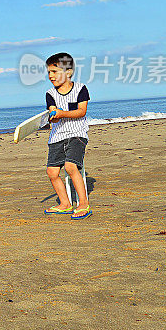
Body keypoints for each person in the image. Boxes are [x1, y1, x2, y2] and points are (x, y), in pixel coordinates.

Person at [43, 52, 92, 220]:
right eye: (49, 72)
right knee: (52, 172)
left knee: (71, 167)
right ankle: (65, 204)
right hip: (57, 136)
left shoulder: (80, 89)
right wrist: (51, 117)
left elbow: (81, 111)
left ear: (68, 72)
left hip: (77, 134)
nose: (50, 76)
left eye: (54, 71)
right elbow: (52, 112)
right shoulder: (50, 94)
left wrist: (62, 113)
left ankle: (83, 204)